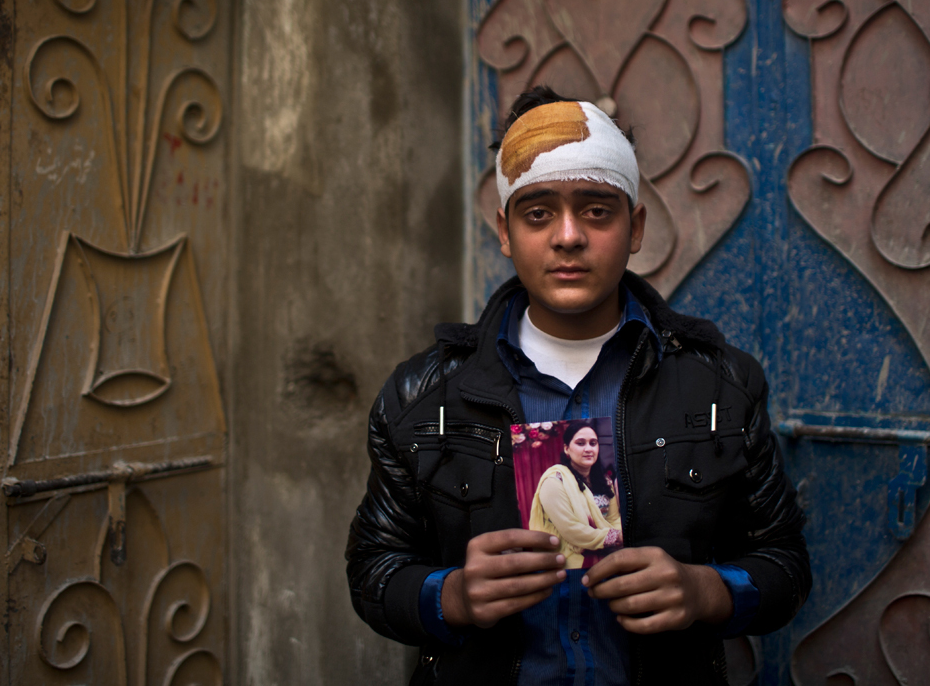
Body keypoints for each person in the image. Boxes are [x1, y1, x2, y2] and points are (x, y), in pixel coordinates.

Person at [346, 87, 810, 684]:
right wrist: (452, 596)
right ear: (506, 231)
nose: (568, 236)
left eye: (597, 210)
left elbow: (787, 564)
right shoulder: (421, 397)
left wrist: (707, 591)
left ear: (635, 225)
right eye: (538, 213)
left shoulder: (721, 386)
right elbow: (371, 570)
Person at [528, 421, 622, 569]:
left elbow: (614, 518)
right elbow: (571, 530)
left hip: (607, 549)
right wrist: (614, 537)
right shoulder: (554, 482)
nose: (588, 449)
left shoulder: (604, 480)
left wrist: (617, 540)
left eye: (593, 443)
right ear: (567, 449)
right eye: (580, 443)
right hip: (570, 556)